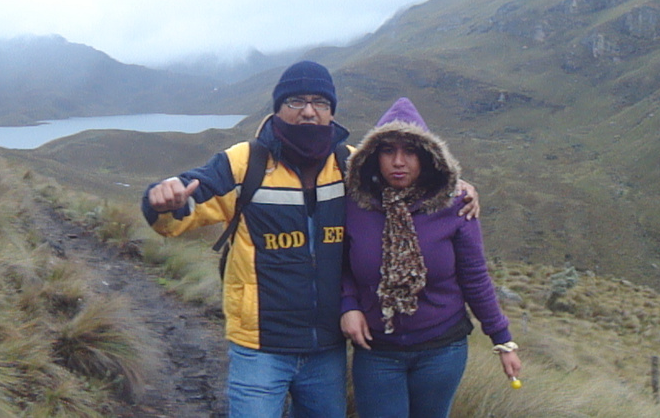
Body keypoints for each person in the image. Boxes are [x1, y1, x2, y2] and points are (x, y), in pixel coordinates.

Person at [142, 62, 478, 417]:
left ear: (331, 110)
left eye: (319, 102)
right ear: (277, 108)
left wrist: (460, 190)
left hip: (327, 347)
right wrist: (163, 201)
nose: (308, 111)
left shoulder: (350, 166)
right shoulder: (244, 163)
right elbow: (179, 214)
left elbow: (409, 194)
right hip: (261, 345)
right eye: (295, 101)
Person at [338, 98, 521, 418]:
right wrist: (349, 305)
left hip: (442, 350)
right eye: (388, 150)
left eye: (409, 151)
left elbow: (474, 276)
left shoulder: (455, 204)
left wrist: (502, 340)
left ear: (426, 156)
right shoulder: (354, 203)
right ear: (372, 155)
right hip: (376, 350)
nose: (398, 161)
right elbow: (339, 264)